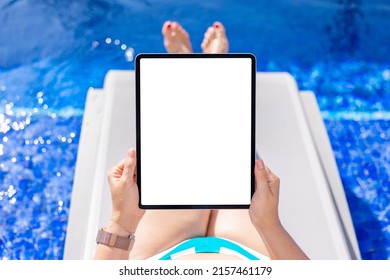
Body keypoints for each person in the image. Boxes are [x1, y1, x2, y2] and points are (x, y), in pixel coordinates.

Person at [94, 21, 309, 260]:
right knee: (226, 144)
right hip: (247, 251)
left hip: (161, 254)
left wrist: (122, 221)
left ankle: (189, 63)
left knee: (191, 142)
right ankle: (208, 65)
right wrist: (269, 224)